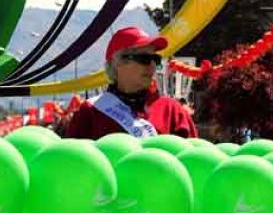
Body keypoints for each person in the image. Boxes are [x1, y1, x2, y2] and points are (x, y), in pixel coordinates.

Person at [66, 27, 198, 139]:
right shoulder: (90, 111)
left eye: (156, 59)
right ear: (117, 63)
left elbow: (193, 160)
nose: (152, 66)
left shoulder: (172, 110)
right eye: (144, 59)